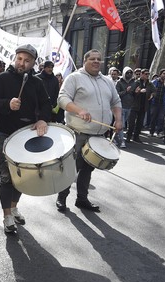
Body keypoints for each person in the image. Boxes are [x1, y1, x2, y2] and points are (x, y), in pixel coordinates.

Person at [0, 44, 51, 233]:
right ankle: (6, 215)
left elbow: (47, 104)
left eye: (27, 60)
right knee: (6, 177)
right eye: (20, 59)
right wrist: (7, 103)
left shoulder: (37, 83)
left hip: (27, 135)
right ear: (15, 59)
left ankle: (14, 207)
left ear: (33, 63)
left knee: (23, 176)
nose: (22, 63)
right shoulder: (3, 78)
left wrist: (42, 119)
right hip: (6, 133)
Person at [55, 49, 122, 213]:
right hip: (78, 133)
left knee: (88, 169)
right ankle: (61, 198)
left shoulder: (107, 81)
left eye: (99, 59)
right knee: (72, 168)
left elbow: (116, 101)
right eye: (92, 59)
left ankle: (82, 199)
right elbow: (62, 99)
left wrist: (119, 119)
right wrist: (79, 111)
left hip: (99, 135)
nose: (96, 61)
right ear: (85, 61)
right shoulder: (74, 78)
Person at [126, 68, 153, 144]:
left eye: (148, 74)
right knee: (131, 123)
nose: (147, 75)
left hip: (143, 105)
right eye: (146, 74)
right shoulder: (136, 82)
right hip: (134, 105)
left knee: (140, 123)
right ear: (142, 74)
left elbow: (154, 90)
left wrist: (152, 94)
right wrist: (138, 92)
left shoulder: (149, 83)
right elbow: (131, 92)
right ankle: (128, 137)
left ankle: (136, 137)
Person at [115, 66, 136, 148]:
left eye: (131, 72)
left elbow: (134, 94)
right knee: (122, 125)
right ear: (124, 73)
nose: (129, 74)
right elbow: (117, 94)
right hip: (121, 106)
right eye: (127, 73)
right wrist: (126, 91)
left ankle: (115, 138)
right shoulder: (119, 83)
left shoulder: (134, 82)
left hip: (129, 106)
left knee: (120, 125)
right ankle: (122, 141)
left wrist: (136, 92)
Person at [149, 69, 165, 137]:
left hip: (162, 103)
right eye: (164, 73)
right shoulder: (155, 81)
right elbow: (151, 89)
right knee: (153, 117)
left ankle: (159, 132)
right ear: (160, 74)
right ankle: (151, 131)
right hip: (155, 102)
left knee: (161, 118)